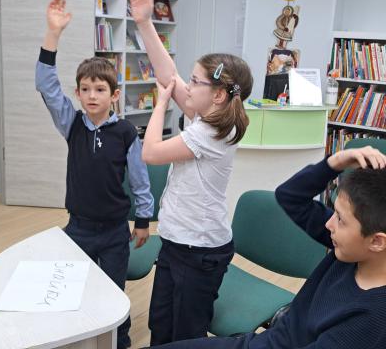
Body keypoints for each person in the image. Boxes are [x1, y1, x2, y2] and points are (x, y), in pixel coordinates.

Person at [141, 145, 386, 349]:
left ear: (377, 241)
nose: (329, 223)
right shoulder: (353, 249)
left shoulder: (370, 317)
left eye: (340, 219)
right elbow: (290, 196)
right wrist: (335, 163)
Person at [128, 0, 254, 345]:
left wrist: (161, 105)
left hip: (198, 251)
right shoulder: (209, 114)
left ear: (218, 95)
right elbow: (168, 74)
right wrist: (144, 23)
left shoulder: (212, 132)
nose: (188, 84)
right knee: (161, 324)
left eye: (195, 81)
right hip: (178, 240)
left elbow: (150, 152)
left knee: (185, 335)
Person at [35, 0, 154, 349]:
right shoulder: (71, 123)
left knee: (113, 292)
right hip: (78, 228)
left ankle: (119, 339)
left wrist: (143, 220)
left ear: (114, 95)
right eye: (85, 89)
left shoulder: (126, 133)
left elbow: (140, 180)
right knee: (76, 287)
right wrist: (53, 33)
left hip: (115, 231)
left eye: (100, 89)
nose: (91, 95)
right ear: (77, 93)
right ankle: (80, 335)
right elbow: (46, 85)